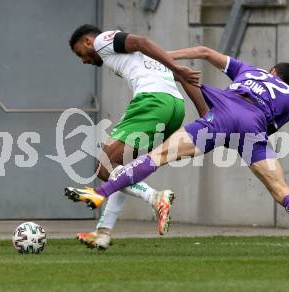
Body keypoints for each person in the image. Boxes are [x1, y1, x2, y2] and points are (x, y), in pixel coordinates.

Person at [65, 44, 289, 257]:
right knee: (281, 190)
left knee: (158, 155)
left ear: (272, 71)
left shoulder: (250, 70)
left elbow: (203, 51)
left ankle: (98, 193)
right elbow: (267, 128)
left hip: (224, 111)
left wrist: (167, 58)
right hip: (254, 126)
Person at [67, 24, 207, 249]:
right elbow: (184, 80)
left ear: (86, 42)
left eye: (79, 54)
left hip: (152, 102)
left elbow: (142, 41)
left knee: (103, 167)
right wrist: (205, 115)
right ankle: (103, 233)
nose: (83, 60)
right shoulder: (144, 58)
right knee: (121, 169)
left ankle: (154, 196)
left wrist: (178, 68)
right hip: (174, 107)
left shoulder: (102, 40)